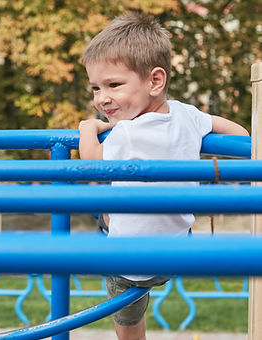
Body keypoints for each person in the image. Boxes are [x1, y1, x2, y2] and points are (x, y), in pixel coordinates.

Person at [78, 12, 249, 340]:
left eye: (114, 85)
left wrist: (89, 128)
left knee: (105, 222)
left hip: (133, 265)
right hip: (177, 250)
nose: (102, 98)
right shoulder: (188, 114)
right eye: (96, 88)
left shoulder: (125, 134)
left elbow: (93, 164)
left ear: (155, 81)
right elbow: (238, 134)